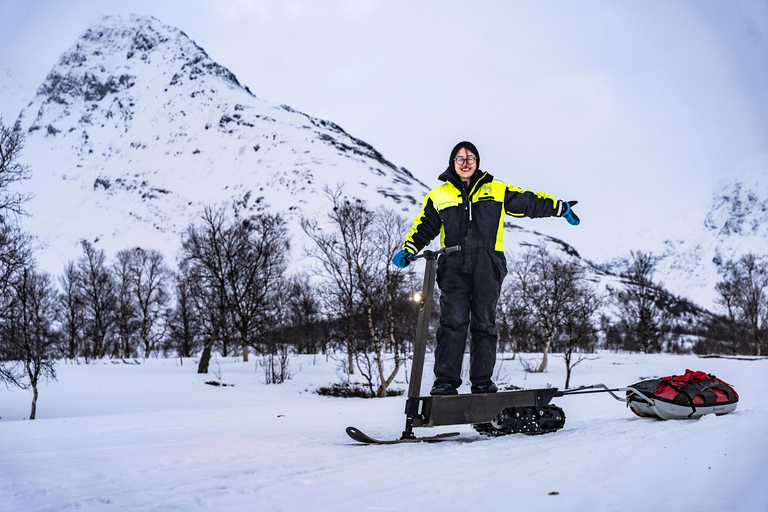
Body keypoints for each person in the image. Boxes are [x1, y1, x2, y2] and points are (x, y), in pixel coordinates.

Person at [392, 141, 580, 396]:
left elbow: (528, 202)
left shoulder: (496, 189)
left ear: (477, 162)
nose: (466, 162)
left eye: (470, 158)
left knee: (484, 323)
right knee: (453, 322)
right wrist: (409, 248)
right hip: (453, 267)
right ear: (453, 163)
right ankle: (445, 382)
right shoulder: (438, 195)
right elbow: (423, 226)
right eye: (460, 158)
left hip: (488, 266)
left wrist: (558, 208)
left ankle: (482, 383)